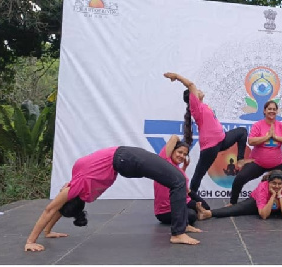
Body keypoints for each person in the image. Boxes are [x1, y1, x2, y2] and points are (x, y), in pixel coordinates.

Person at [24, 146, 200, 252]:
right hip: (125, 159)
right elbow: (53, 209)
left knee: (175, 179)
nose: (62, 191)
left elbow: (55, 209)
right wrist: (31, 241)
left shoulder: (77, 188)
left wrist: (45, 233)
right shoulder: (78, 187)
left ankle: (181, 226)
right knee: (177, 180)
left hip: (124, 159)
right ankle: (178, 233)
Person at [164, 72, 250, 194]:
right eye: (196, 91)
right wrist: (176, 77)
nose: (199, 90)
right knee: (199, 174)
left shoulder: (202, 106)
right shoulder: (196, 107)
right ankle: (190, 199)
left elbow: (199, 97)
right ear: (193, 98)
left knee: (242, 132)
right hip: (211, 146)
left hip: (222, 140)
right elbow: (190, 84)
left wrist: (201, 97)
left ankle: (240, 159)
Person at [229, 100, 282, 205]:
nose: (272, 111)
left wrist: (276, 137)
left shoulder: (281, 126)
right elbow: (251, 141)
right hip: (258, 163)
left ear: (277, 111)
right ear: (264, 111)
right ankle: (232, 203)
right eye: (269, 109)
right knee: (240, 178)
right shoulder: (258, 125)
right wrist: (267, 137)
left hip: (278, 163)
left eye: (274, 109)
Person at [154, 135, 211, 232]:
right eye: (179, 152)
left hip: (181, 202)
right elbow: (174, 137)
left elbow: (177, 178)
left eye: (185, 154)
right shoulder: (164, 162)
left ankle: (198, 211)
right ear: (172, 151)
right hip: (165, 212)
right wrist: (180, 142)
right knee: (192, 215)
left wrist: (184, 167)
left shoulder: (177, 169)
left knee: (206, 208)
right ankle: (196, 213)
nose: (182, 156)